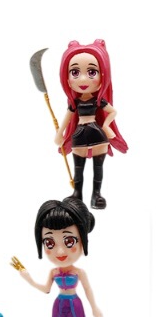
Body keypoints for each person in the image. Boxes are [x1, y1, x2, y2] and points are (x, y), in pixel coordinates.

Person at [12, 197, 102, 317]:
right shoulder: (53, 272)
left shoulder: (79, 272)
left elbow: (88, 289)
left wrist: (94, 307)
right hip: (59, 306)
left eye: (69, 241)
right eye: (49, 242)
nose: (60, 251)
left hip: (75, 305)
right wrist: (28, 279)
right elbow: (46, 289)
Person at [55, 39, 128, 209]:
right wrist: (60, 134)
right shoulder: (75, 103)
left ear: (103, 75)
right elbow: (67, 118)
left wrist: (107, 126)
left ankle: (96, 195)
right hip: (79, 134)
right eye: (74, 72)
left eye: (92, 72)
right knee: (78, 167)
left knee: (98, 167)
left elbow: (113, 112)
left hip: (97, 134)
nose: (83, 79)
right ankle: (77, 193)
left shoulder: (98, 101)